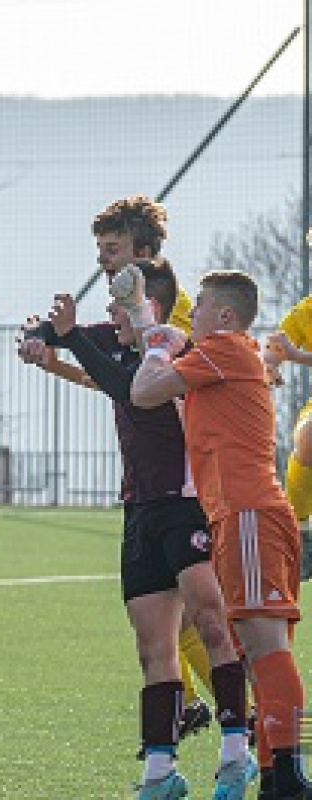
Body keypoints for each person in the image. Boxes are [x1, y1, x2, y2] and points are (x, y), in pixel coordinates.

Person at [19, 260, 252, 799]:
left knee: (212, 623)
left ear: (150, 306)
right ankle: (161, 773)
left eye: (121, 305)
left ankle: (236, 755)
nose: (111, 315)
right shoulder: (121, 341)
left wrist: (72, 337)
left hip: (187, 505)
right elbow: (64, 341)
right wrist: (39, 338)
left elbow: (129, 387)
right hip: (140, 510)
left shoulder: (175, 346)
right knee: (154, 648)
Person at [37, 194, 214, 740]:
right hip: (149, 488)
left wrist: (65, 344)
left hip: (189, 489)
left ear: (143, 251)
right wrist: (54, 358)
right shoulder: (131, 319)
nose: (102, 261)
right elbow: (115, 380)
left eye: (111, 250)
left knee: (201, 621)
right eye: (100, 249)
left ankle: (260, 719)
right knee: (175, 623)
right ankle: (209, 714)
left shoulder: (172, 319)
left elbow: (140, 392)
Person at [129, 269, 311, 800]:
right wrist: (148, 326)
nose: (195, 315)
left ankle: (291, 772)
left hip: (249, 512)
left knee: (267, 648)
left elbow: (144, 392)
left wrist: (158, 344)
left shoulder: (225, 348)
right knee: (258, 651)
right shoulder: (223, 359)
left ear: (225, 315)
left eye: (202, 306)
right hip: (239, 516)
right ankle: (280, 766)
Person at [263, 295, 312, 580]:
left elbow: (290, 351)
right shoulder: (305, 311)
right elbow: (275, 347)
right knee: (308, 435)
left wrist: (296, 356)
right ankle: (300, 532)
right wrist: (268, 365)